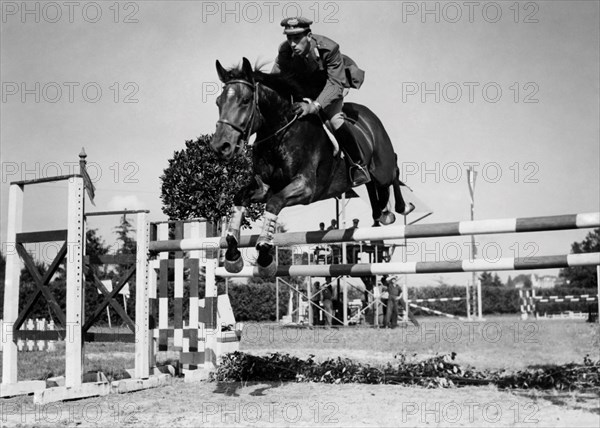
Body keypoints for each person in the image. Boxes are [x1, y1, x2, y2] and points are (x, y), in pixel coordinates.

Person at [272, 17, 369, 187]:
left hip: (330, 88)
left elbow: (335, 84)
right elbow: (275, 79)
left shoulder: (329, 48)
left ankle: (358, 165)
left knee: (335, 120)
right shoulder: (285, 50)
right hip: (306, 90)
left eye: (297, 38)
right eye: (289, 38)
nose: (292, 43)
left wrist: (315, 106)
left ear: (309, 36)